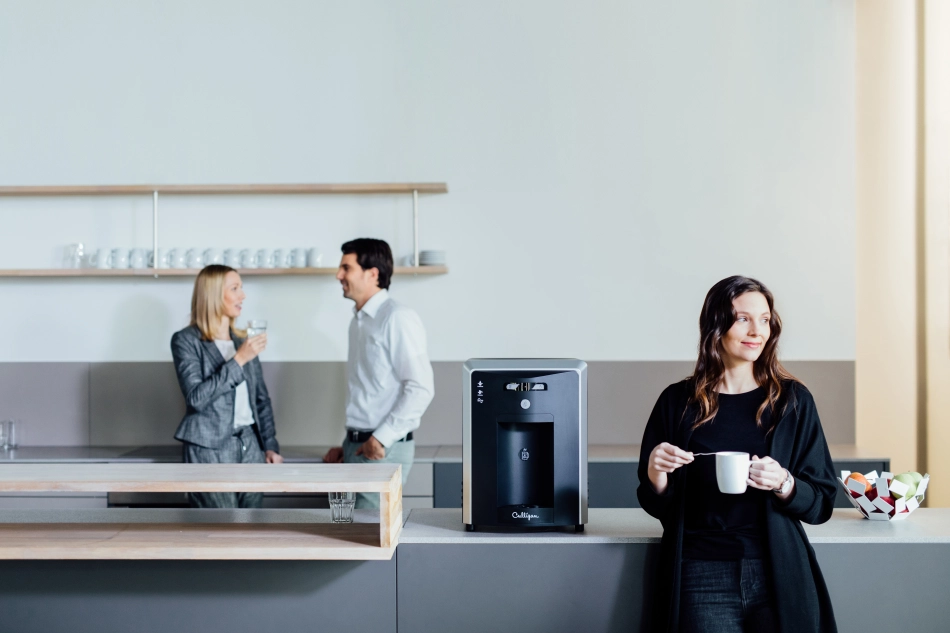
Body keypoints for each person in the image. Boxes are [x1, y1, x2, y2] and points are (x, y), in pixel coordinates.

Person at [638, 276, 838, 633]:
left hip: (778, 572)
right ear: (716, 324)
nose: (756, 330)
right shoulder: (677, 401)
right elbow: (657, 507)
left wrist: (785, 483)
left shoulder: (792, 401)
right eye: (743, 318)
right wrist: (657, 474)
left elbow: (821, 502)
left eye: (764, 319)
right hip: (700, 571)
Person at [323, 238, 434, 508]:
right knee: (351, 534)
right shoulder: (358, 321)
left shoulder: (397, 318)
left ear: (372, 274)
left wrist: (378, 439)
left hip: (382, 448)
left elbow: (421, 388)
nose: (339, 275)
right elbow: (369, 390)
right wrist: (349, 444)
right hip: (359, 446)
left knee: (368, 541)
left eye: (346, 268)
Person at [172, 264, 283, 508]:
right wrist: (239, 359)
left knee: (252, 528)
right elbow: (196, 398)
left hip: (250, 446)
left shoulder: (243, 341)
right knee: (221, 532)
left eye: (241, 288)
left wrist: (270, 446)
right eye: (235, 288)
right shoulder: (186, 341)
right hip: (207, 450)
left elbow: (261, 400)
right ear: (213, 295)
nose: (243, 295)